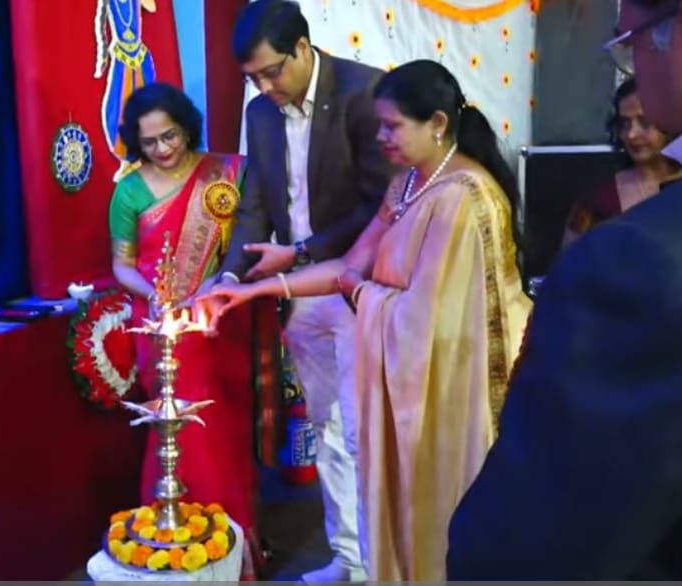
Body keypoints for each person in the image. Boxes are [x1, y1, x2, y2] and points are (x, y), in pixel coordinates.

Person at [202, 59, 531, 581]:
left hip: (453, 387)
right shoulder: (407, 186)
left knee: (441, 514)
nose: (380, 138)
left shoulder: (464, 198)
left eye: (392, 126)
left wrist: (363, 293)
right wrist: (251, 289)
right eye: (380, 124)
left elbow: (426, 322)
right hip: (414, 378)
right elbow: (347, 266)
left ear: (437, 124)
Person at [447, 0, 682, 579]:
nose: (634, 73)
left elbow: (520, 553)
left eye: (631, 45)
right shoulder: (612, 208)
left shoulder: (649, 261)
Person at [212, 1, 394, 580]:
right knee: (327, 428)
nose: (264, 88)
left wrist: (303, 251)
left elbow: (381, 205)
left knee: (367, 430)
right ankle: (350, 558)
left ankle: (389, 559)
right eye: (252, 79)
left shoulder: (364, 93)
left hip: (363, 284)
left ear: (302, 48)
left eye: (272, 73)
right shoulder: (261, 112)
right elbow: (256, 203)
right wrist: (230, 276)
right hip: (301, 291)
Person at [107, 81, 265, 579]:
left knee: (226, 428)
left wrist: (218, 284)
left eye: (170, 135)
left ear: (187, 127)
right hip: (163, 327)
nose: (162, 148)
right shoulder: (129, 191)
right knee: (179, 428)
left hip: (218, 316)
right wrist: (154, 295)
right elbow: (121, 265)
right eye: (149, 141)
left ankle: (234, 541)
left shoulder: (225, 174)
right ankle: (176, 542)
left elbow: (248, 239)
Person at [561, 77, 682, 248]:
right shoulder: (597, 197)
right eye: (624, 124)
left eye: (644, 122)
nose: (631, 134)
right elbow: (569, 259)